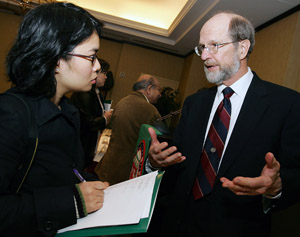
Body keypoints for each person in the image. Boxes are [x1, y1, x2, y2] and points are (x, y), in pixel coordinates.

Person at [147, 11, 300, 237]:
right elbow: (179, 164)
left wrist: (277, 187)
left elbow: (295, 172)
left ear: (242, 48)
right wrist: (156, 162)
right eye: (201, 47)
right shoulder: (194, 104)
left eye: (214, 45)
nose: (204, 55)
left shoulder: (287, 104)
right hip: (177, 224)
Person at [0, 3, 109, 236]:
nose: (98, 67)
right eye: (92, 57)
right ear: (56, 59)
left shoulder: (69, 112)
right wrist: (73, 202)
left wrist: (93, 184)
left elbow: (69, 170)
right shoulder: (10, 114)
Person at [94, 74, 161, 185]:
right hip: (126, 174)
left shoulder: (122, 101)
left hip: (107, 166)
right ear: (149, 89)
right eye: (159, 90)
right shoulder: (151, 111)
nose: (160, 94)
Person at [70, 58, 113, 168]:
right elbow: (88, 123)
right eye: (104, 73)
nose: (106, 77)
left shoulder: (96, 92)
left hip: (87, 143)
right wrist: (105, 118)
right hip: (80, 143)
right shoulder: (86, 93)